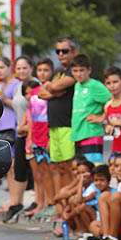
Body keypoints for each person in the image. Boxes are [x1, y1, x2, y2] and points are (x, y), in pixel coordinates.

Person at [38, 37, 78, 191]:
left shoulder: (75, 70)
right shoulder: (57, 72)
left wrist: (53, 88)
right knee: (56, 167)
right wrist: (55, 92)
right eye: (58, 51)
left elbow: (56, 86)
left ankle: (70, 203)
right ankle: (60, 207)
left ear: (74, 52)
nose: (61, 54)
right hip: (53, 126)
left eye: (65, 51)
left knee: (68, 166)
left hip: (68, 125)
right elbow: (42, 93)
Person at [0, 56, 21, 222]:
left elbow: (19, 105)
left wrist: (3, 98)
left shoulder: (16, 84)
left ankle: (14, 201)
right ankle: (12, 200)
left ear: (10, 67)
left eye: (2, 67)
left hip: (12, 129)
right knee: (8, 167)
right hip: (1, 129)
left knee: (13, 167)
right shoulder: (1, 86)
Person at [70, 54, 111, 164]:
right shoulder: (76, 85)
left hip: (91, 133)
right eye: (75, 71)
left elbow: (112, 100)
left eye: (82, 70)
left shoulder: (95, 85)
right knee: (82, 171)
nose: (78, 74)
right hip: (78, 134)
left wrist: (102, 117)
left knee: (94, 170)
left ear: (89, 70)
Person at [27, 58, 55, 217]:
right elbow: (31, 116)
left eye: (46, 70)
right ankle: (43, 202)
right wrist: (30, 138)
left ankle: (52, 202)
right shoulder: (34, 91)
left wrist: (50, 135)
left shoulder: (51, 90)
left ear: (51, 72)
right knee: (41, 172)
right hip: (36, 134)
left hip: (47, 133)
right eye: (40, 70)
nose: (42, 73)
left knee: (51, 171)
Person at [12, 56, 36, 213]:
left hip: (32, 133)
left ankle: (38, 202)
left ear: (31, 68)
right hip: (20, 131)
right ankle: (16, 203)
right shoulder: (17, 86)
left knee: (36, 171)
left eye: (24, 68)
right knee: (18, 168)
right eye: (19, 68)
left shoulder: (35, 86)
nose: (21, 71)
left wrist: (28, 129)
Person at [86, 165, 117, 240]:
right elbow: (79, 200)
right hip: (100, 223)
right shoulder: (96, 193)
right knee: (93, 225)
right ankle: (101, 235)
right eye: (96, 180)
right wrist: (80, 181)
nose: (98, 183)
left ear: (108, 180)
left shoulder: (114, 192)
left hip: (111, 222)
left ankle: (105, 235)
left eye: (102, 180)